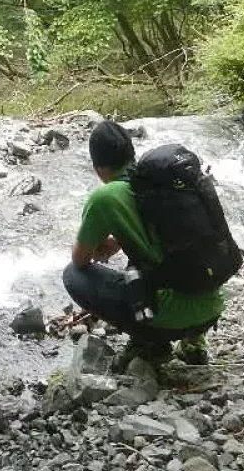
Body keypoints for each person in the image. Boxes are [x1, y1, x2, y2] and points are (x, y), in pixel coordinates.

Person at [62, 120, 224, 363]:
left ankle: (150, 343)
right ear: (132, 154)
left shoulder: (105, 197)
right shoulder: (161, 183)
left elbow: (81, 259)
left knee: (73, 275)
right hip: (213, 306)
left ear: (97, 167)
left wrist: (99, 244)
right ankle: (194, 343)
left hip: (170, 319)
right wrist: (120, 239)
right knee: (151, 268)